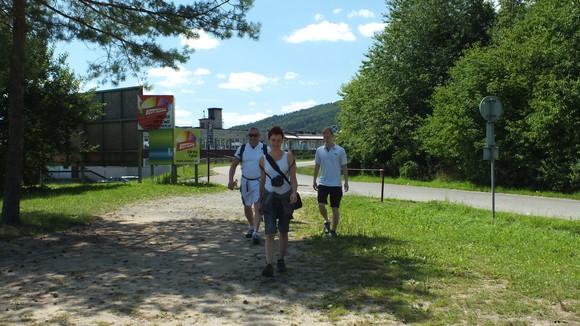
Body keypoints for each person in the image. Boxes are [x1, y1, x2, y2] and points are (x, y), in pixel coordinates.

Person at [259, 126, 298, 277]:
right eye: (273, 140)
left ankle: (281, 259)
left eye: (279, 140)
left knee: (283, 230)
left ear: (282, 140)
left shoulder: (288, 156)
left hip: (285, 197)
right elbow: (262, 181)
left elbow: (293, 178)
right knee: (269, 232)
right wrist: (260, 200)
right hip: (269, 197)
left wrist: (294, 192)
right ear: (269, 140)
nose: (276, 143)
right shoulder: (263, 159)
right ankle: (269, 263)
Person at [228, 127, 267, 245]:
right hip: (245, 182)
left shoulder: (265, 149)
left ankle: (255, 232)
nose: (253, 137)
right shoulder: (243, 148)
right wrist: (230, 180)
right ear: (248, 136)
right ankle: (251, 226)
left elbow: (272, 164)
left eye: (255, 135)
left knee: (257, 205)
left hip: (259, 182)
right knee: (247, 206)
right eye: (251, 135)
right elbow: (234, 165)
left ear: (259, 136)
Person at [313, 127, 348, 237]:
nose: (326, 138)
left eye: (328, 136)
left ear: (333, 136)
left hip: (336, 184)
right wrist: (314, 180)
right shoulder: (319, 150)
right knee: (321, 205)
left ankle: (333, 231)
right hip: (323, 183)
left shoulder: (340, 150)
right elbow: (317, 166)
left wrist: (346, 181)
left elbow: (344, 167)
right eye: (324, 136)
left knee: (335, 208)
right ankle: (326, 220)